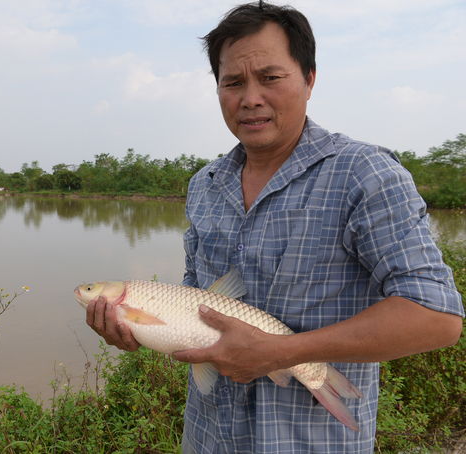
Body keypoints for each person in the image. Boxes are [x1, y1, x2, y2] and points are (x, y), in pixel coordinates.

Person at [85, 2, 465, 453]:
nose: (250, 98)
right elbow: (193, 297)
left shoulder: (365, 174)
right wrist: (138, 332)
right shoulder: (204, 185)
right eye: (232, 82)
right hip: (206, 438)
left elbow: (437, 318)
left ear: (309, 78)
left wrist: (281, 352)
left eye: (270, 77)